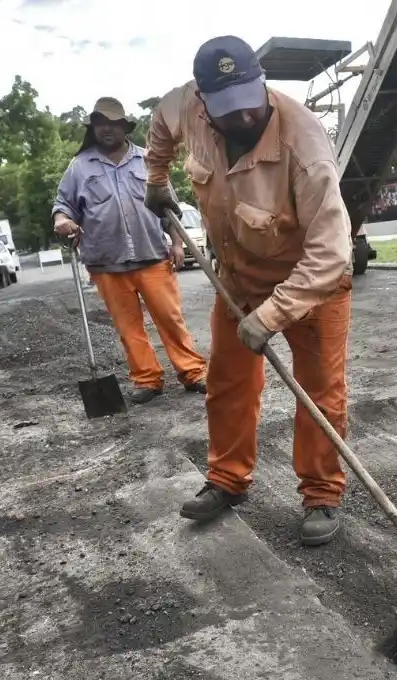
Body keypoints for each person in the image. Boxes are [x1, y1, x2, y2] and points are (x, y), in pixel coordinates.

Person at [143, 36, 354, 546]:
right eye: (227, 110)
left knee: (320, 395)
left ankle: (322, 493)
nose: (242, 118)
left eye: (249, 103)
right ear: (203, 101)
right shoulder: (184, 107)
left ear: (263, 83)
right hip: (237, 280)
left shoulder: (305, 149)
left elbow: (331, 255)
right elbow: (159, 124)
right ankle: (227, 479)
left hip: (310, 287)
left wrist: (270, 317)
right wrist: (156, 177)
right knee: (228, 384)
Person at [52, 97, 208, 404]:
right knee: (128, 327)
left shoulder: (147, 160)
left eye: (112, 123)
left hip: (151, 255)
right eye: (100, 124)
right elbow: (63, 207)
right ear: (93, 128)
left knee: (170, 318)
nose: (106, 129)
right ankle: (147, 379)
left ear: (125, 127)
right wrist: (62, 221)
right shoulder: (79, 167)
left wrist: (176, 243)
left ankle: (192, 372)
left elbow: (169, 207)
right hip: (106, 262)